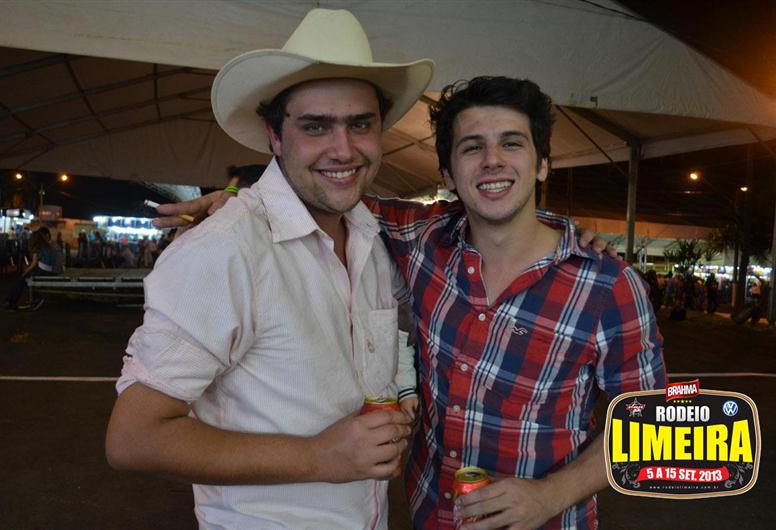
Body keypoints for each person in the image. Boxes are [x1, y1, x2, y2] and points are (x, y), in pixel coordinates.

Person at [163, 76, 666, 529]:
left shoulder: (609, 286)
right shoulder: (422, 238)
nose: (493, 160)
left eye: (512, 143)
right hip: (432, 515)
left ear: (542, 165)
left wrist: (549, 496)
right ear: (447, 173)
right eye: (472, 147)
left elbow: (653, 429)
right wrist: (236, 199)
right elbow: (320, 189)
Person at [105, 9, 433, 529]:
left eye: (360, 124)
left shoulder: (372, 236)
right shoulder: (224, 250)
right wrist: (320, 456)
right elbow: (134, 438)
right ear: (274, 137)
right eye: (315, 126)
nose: (343, 149)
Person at [5, 226, 55, 311]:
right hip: (47, 270)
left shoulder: (37, 247)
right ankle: (11, 301)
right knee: (22, 280)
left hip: (41, 270)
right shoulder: (46, 246)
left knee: (21, 280)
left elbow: (34, 263)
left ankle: (11, 302)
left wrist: (25, 271)